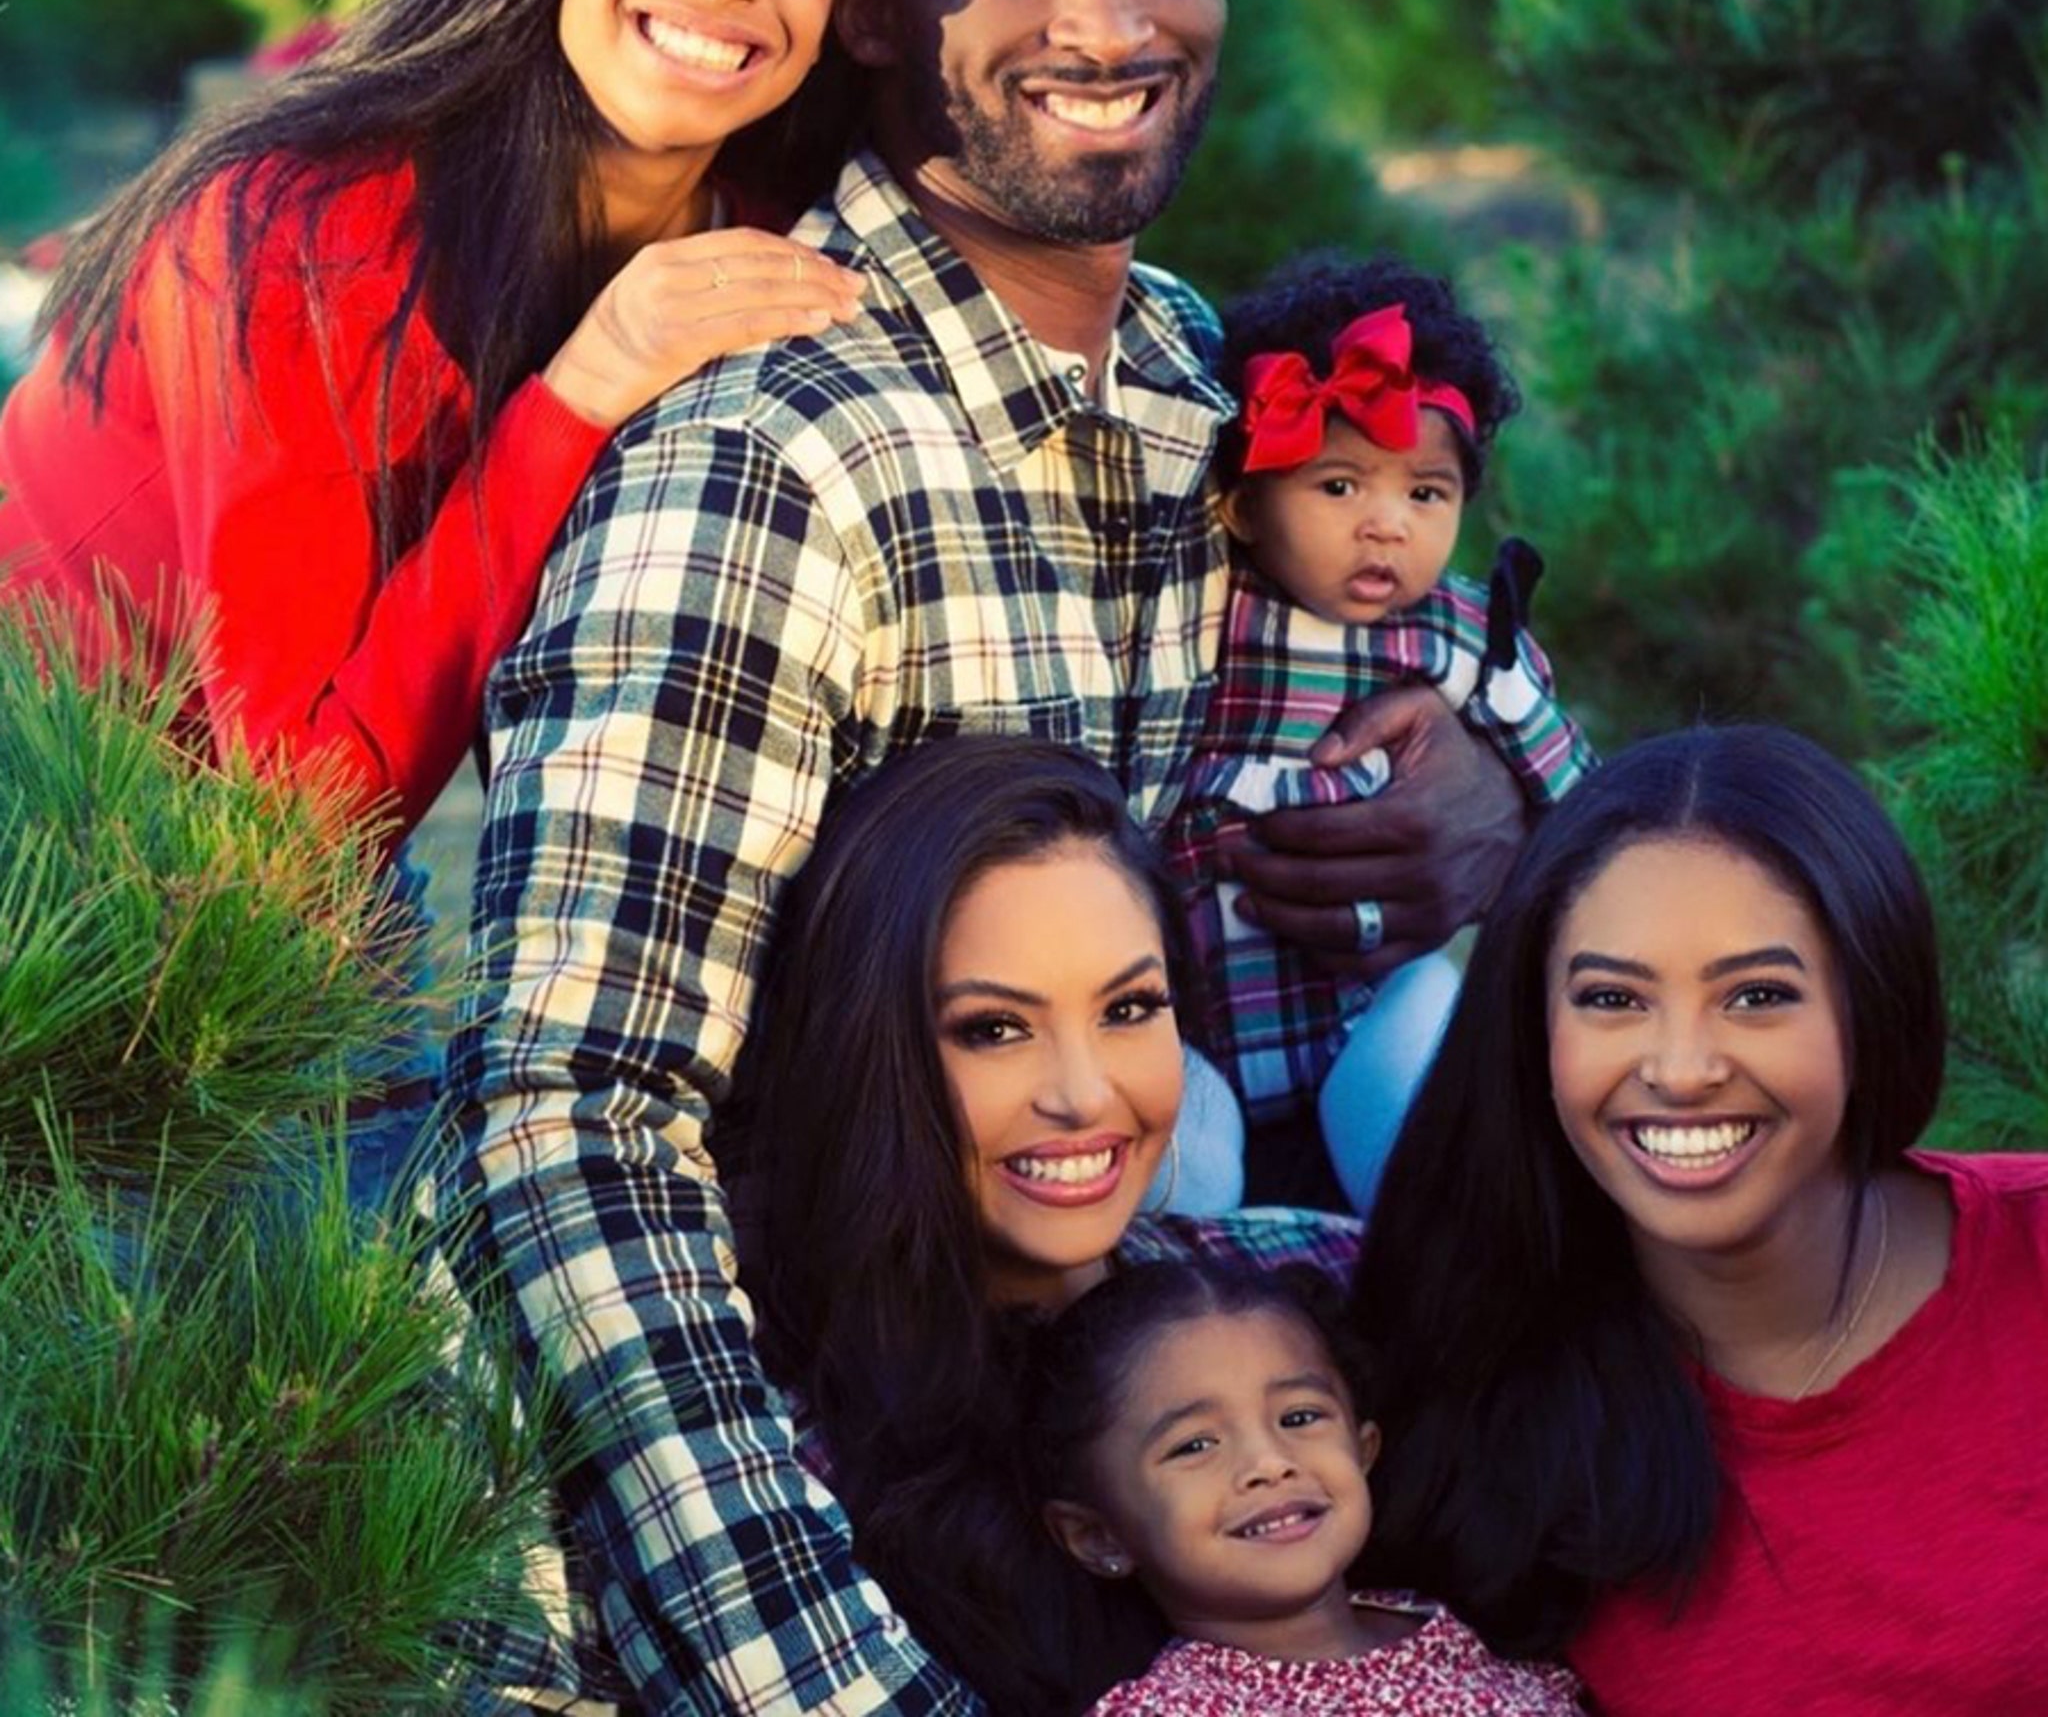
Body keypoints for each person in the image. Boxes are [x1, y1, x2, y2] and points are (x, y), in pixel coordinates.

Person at [446, 0, 1528, 1713]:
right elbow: (566, 1126)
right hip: (807, 1519)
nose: (1107, 18)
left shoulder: (1208, 382)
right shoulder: (775, 459)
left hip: (1101, 1464)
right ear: (873, 6)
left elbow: (1457, 686)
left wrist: (1492, 803)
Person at [0, 0, 876, 844]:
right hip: (60, 857)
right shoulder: (315, 236)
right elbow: (299, 831)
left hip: (259, 883)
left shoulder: (758, 238)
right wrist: (579, 391)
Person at [1350, 724, 2048, 1716]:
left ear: (1869, 1002)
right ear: (1533, 1026)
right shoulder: (1465, 1390)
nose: (1679, 1067)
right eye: (1611, 998)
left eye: (1756, 994)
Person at [715, 735, 1361, 1716]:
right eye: (993, 1027)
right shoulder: (779, 1460)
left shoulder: (1302, 1281)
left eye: (1129, 1007)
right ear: (868, 1052)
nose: (1081, 1093)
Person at [1162, 253, 1593, 1217]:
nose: (1386, 528)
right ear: (1241, 504)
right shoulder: (1197, 616)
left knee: (1421, 1133)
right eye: (1341, 487)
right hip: (1194, 1015)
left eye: (1425, 494)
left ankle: (1434, 1264)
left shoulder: (1451, 636)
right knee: (1188, 1176)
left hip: (1364, 1005)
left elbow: (1570, 788)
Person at [1030, 1260, 1585, 1715]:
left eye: (1299, 1418)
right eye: (1195, 1446)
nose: (1270, 1463)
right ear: (1096, 1535)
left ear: (1363, 1449)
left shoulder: (1450, 1624)